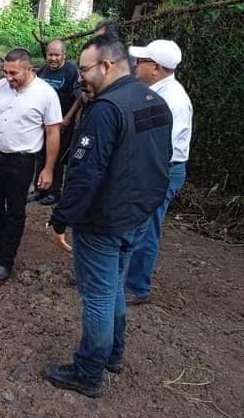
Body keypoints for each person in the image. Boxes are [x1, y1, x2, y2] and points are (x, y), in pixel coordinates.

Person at [44, 35, 173, 398]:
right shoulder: (154, 101)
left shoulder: (106, 110)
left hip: (104, 221)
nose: (79, 77)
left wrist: (61, 218)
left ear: (107, 66)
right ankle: (113, 355)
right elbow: (162, 160)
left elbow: (85, 174)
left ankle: (88, 372)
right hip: (138, 214)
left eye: (84, 69)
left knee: (98, 296)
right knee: (114, 285)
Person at [0, 48, 62, 286]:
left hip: (22, 161)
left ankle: (6, 262)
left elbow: (53, 133)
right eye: (5, 72)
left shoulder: (45, 94)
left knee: (15, 212)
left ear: (29, 69)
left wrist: (48, 169)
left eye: (14, 73)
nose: (8, 78)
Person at [125, 40, 193, 305]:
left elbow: (162, 148)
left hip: (163, 169)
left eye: (140, 62)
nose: (135, 66)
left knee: (147, 226)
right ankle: (123, 276)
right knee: (136, 222)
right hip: (153, 165)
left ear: (155, 68)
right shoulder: (154, 91)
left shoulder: (173, 100)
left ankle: (137, 286)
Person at [30, 40, 81, 206]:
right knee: (40, 154)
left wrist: (68, 117)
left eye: (57, 55)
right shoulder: (43, 71)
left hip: (62, 123)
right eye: (50, 54)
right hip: (43, 123)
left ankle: (54, 191)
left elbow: (80, 96)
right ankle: (39, 189)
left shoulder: (71, 71)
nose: (53, 58)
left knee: (56, 157)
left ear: (64, 55)